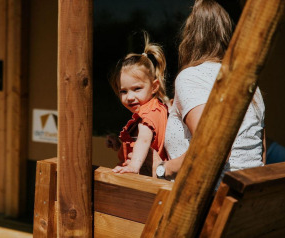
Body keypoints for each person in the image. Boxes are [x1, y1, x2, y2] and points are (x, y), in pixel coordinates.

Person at [154, 0, 266, 182]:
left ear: (189, 36)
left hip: (208, 200)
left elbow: (212, 148)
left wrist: (163, 169)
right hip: (248, 198)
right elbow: (258, 153)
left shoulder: (190, 77)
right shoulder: (249, 83)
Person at [106, 32, 170, 175]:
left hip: (143, 180)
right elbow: (138, 141)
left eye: (137, 89)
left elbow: (144, 140)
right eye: (123, 91)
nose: (129, 97)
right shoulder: (156, 108)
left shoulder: (147, 114)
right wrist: (119, 143)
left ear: (154, 87)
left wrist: (133, 166)